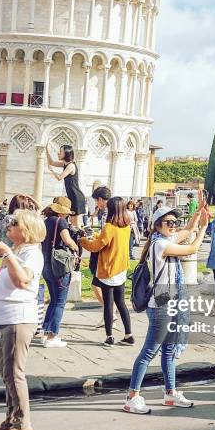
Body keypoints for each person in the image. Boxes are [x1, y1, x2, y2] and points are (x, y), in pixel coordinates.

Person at [124, 203, 209, 414]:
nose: (173, 226)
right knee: (149, 352)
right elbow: (192, 248)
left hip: (170, 302)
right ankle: (132, 396)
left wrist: (198, 214)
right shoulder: (160, 245)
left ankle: (170, 393)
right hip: (161, 305)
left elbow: (187, 231)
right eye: (168, 223)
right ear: (157, 225)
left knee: (169, 351)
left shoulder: (164, 240)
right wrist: (205, 228)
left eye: (175, 222)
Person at [0, 209, 46, 430]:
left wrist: (8, 254)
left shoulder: (32, 254)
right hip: (3, 318)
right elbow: (8, 278)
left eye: (14, 222)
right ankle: (11, 418)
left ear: (26, 230)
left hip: (17, 319)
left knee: (15, 374)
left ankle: (22, 425)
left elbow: (22, 281)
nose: (9, 225)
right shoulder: (18, 251)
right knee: (6, 373)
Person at [79, 197, 133, 347]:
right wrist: (97, 235)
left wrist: (83, 241)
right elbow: (107, 241)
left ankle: (109, 337)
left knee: (108, 304)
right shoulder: (126, 226)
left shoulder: (109, 227)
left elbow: (96, 246)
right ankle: (129, 335)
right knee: (121, 303)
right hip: (121, 268)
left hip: (108, 269)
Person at [41, 197, 79, 348]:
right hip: (59, 266)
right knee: (60, 302)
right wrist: (76, 247)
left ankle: (46, 332)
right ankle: (52, 336)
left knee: (54, 300)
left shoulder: (46, 221)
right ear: (63, 212)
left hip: (46, 265)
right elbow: (67, 240)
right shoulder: (60, 222)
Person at [89, 186, 116, 329]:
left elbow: (107, 236)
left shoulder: (107, 213)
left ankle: (110, 313)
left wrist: (94, 240)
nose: (96, 204)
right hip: (111, 252)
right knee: (107, 288)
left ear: (100, 200)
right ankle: (111, 313)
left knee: (98, 285)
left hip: (104, 253)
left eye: (96, 201)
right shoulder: (112, 211)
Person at [45, 144, 86, 228]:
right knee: (72, 223)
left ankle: (79, 240)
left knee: (76, 224)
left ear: (66, 153)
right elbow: (51, 162)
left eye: (60, 152)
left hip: (76, 197)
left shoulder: (71, 166)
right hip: (71, 196)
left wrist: (52, 170)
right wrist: (47, 152)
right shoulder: (65, 164)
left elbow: (60, 177)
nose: (58, 153)